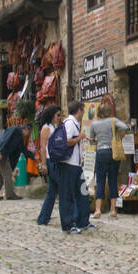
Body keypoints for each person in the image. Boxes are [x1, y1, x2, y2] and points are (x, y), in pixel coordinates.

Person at [87, 102, 129, 219]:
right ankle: (113, 209)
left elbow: (91, 140)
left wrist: (97, 142)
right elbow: (125, 127)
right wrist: (120, 136)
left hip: (101, 152)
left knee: (100, 180)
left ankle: (98, 209)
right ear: (108, 111)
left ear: (98, 112)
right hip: (112, 152)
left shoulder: (94, 124)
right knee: (112, 180)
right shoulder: (113, 121)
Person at [60, 100, 92, 233]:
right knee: (67, 195)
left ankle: (83, 221)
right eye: (83, 110)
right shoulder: (69, 123)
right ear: (78, 110)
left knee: (83, 192)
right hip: (68, 165)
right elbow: (66, 141)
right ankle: (68, 224)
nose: (84, 113)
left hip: (77, 165)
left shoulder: (75, 123)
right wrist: (79, 138)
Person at [34, 105, 61, 226]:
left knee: (52, 191)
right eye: (58, 115)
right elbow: (43, 147)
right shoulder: (46, 129)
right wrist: (44, 164)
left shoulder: (53, 127)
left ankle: (43, 217)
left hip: (54, 160)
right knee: (62, 188)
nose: (59, 118)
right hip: (51, 161)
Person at [0, 120, 26, 201]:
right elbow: (6, 140)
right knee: (7, 174)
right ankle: (10, 194)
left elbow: (23, 149)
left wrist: (33, 156)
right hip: (0, 154)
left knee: (1, 175)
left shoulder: (18, 135)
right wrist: (1, 152)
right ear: (26, 129)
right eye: (28, 132)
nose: (28, 134)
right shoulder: (15, 131)